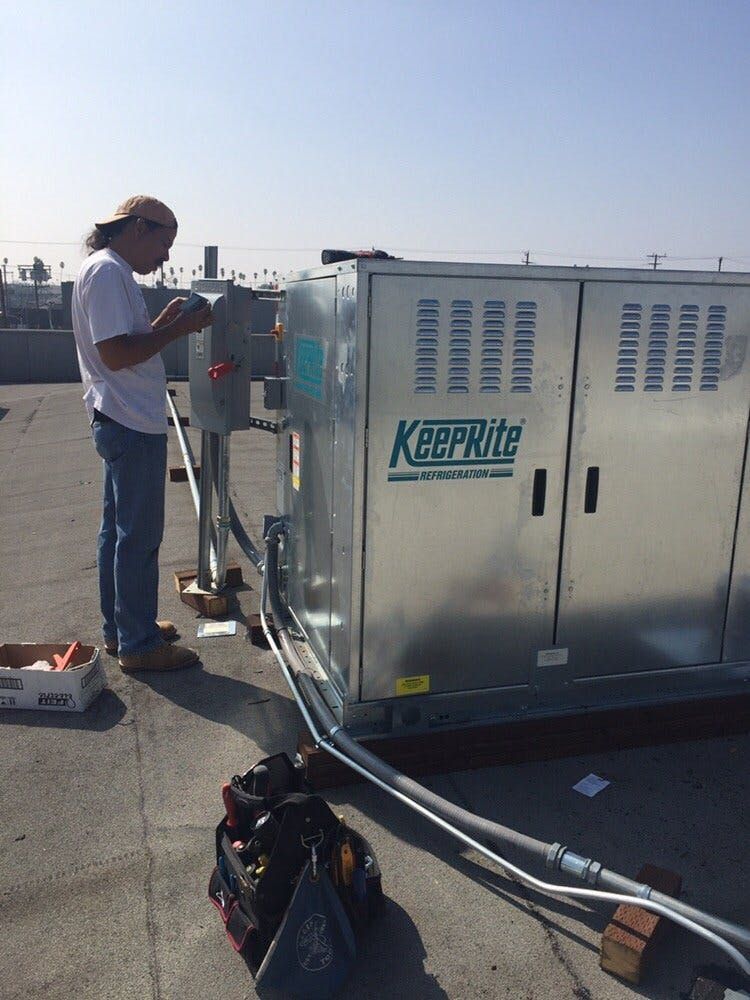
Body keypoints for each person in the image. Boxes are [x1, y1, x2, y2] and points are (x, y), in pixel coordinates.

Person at [72, 195, 211, 672]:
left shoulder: (106, 270)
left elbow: (125, 343)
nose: (166, 256)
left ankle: (123, 629)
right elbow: (114, 355)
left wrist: (160, 324)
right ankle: (139, 644)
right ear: (138, 229)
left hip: (118, 418)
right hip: (130, 423)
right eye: (164, 244)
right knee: (138, 538)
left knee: (117, 533)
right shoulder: (109, 273)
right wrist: (180, 330)